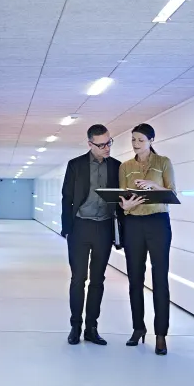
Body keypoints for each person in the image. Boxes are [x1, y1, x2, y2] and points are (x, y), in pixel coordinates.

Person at [61, 124, 123, 346]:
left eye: (109, 142)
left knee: (98, 280)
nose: (107, 148)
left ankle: (92, 328)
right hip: (80, 227)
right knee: (78, 279)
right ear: (90, 144)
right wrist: (66, 228)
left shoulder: (117, 166)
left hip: (104, 228)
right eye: (101, 144)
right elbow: (66, 197)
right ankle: (75, 326)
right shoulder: (75, 165)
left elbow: (121, 199)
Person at [118, 123, 176, 356]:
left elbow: (171, 193)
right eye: (133, 139)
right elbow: (121, 196)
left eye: (140, 140)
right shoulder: (125, 166)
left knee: (160, 279)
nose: (136, 143)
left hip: (158, 222)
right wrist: (126, 206)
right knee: (134, 279)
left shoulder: (163, 162)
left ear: (151, 140)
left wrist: (154, 185)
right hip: (133, 223)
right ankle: (138, 328)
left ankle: (160, 334)